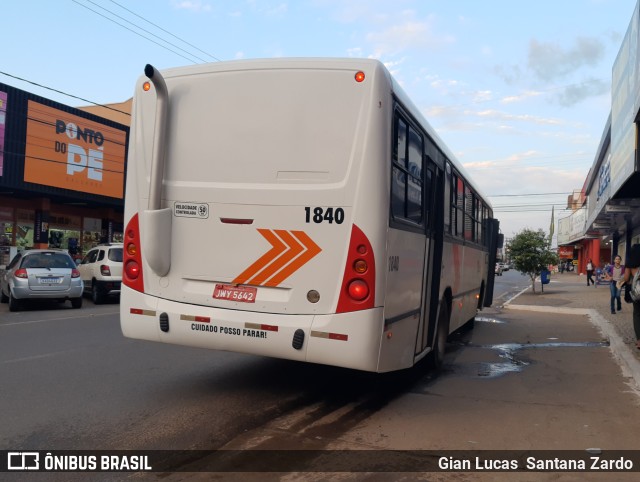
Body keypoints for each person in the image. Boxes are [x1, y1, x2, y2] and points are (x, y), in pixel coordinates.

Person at [623, 244, 640, 350]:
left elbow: (625, 278)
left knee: (637, 314)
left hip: (637, 292)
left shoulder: (630, 263)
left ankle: (639, 341)